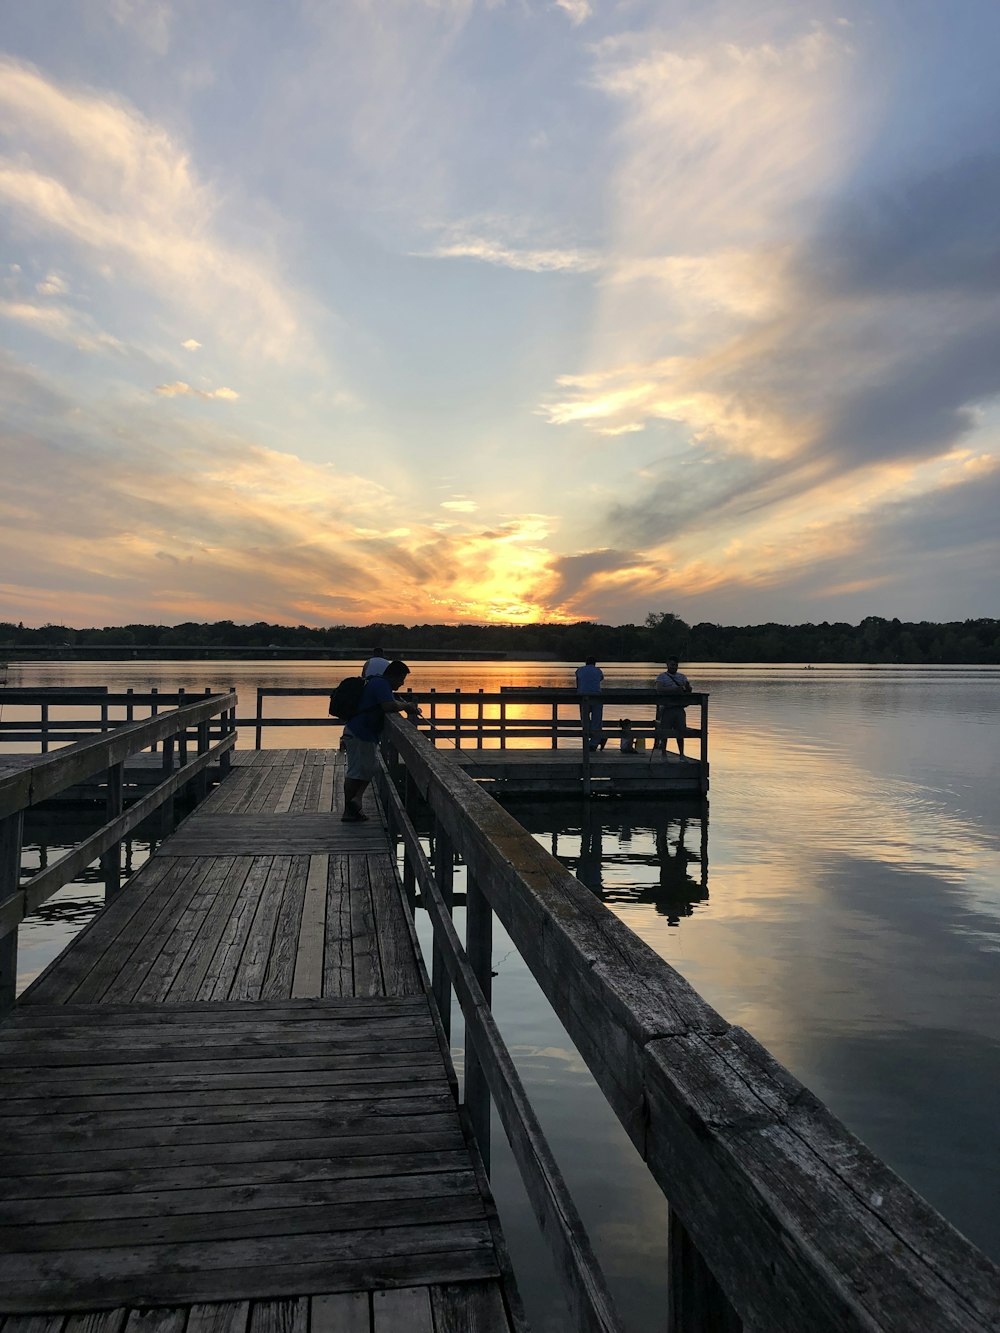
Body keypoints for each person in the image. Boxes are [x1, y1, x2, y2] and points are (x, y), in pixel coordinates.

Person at [342, 659, 420, 821]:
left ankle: (355, 802)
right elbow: (388, 706)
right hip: (359, 733)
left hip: (362, 733)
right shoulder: (381, 684)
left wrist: (401, 704)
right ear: (392, 676)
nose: (402, 683)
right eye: (401, 679)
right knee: (356, 771)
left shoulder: (378, 682)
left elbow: (389, 702)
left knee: (371, 767)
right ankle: (349, 810)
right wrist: (406, 707)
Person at [654, 657, 692, 756]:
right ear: (667, 665)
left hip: (679, 708)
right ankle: (663, 753)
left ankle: (682, 754)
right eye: (672, 665)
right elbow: (659, 690)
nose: (674, 667)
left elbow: (688, 690)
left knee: (681, 732)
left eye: (676, 665)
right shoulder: (661, 677)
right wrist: (675, 689)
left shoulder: (682, 677)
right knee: (664, 732)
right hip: (667, 708)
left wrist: (688, 688)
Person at [574, 657, 604, 751]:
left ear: (585, 663)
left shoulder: (579, 670)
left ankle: (591, 741)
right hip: (596, 697)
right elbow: (600, 679)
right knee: (597, 719)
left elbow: (578, 682)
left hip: (583, 697)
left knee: (585, 719)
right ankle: (594, 742)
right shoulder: (598, 671)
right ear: (595, 663)